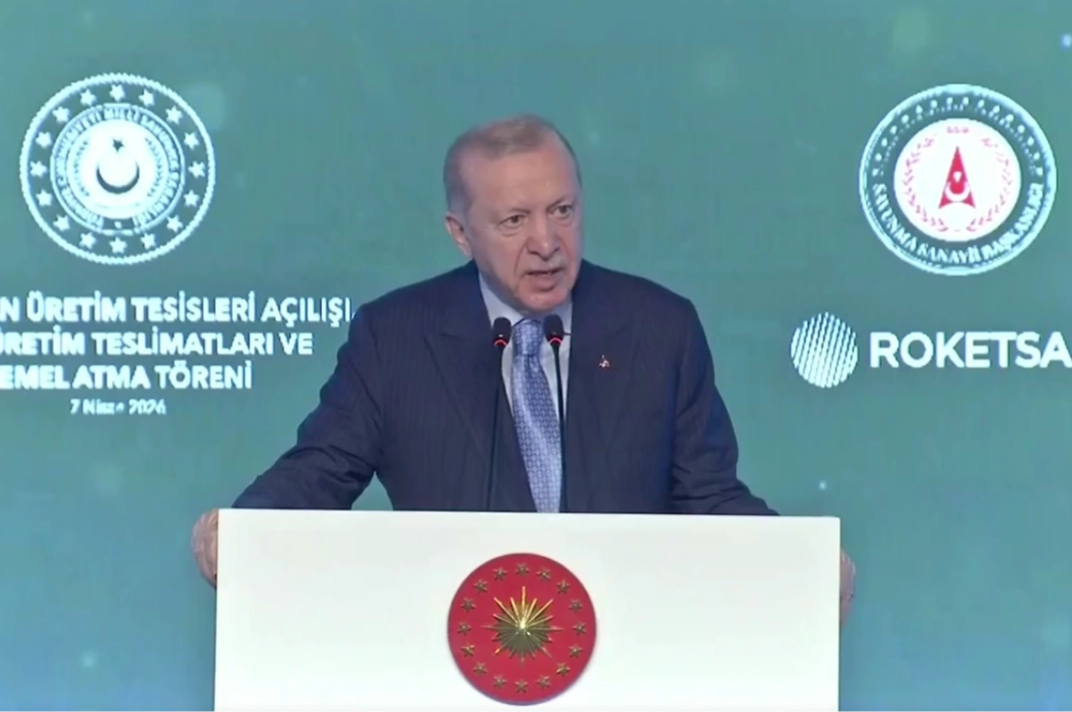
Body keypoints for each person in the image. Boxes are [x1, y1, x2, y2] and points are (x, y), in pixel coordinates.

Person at [191, 115, 855, 623]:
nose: (546, 243)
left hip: (629, 648)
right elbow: (320, 472)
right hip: (452, 649)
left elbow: (708, 496)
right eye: (514, 220)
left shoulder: (659, 328)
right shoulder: (395, 338)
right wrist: (244, 528)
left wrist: (799, 562)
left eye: (562, 211)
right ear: (460, 233)